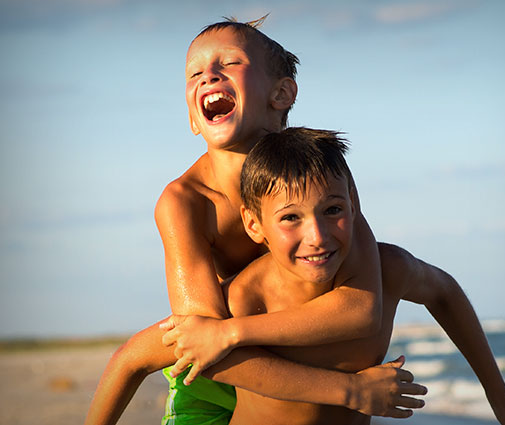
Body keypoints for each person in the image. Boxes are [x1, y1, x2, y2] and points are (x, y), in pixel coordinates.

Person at [85, 17, 425, 425]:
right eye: (195, 73)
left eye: (229, 63)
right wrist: (351, 391)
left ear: (281, 93)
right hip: (220, 369)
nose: (209, 75)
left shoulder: (320, 171)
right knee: (133, 357)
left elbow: (361, 308)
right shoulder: (186, 203)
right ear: (194, 119)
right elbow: (203, 346)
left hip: (269, 347)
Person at [164, 127, 505, 425]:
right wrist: (352, 390)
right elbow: (133, 359)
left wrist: (498, 393)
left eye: (333, 210)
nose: (318, 236)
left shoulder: (387, 271)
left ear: (354, 205)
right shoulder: (244, 298)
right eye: (291, 217)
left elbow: (444, 292)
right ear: (253, 224)